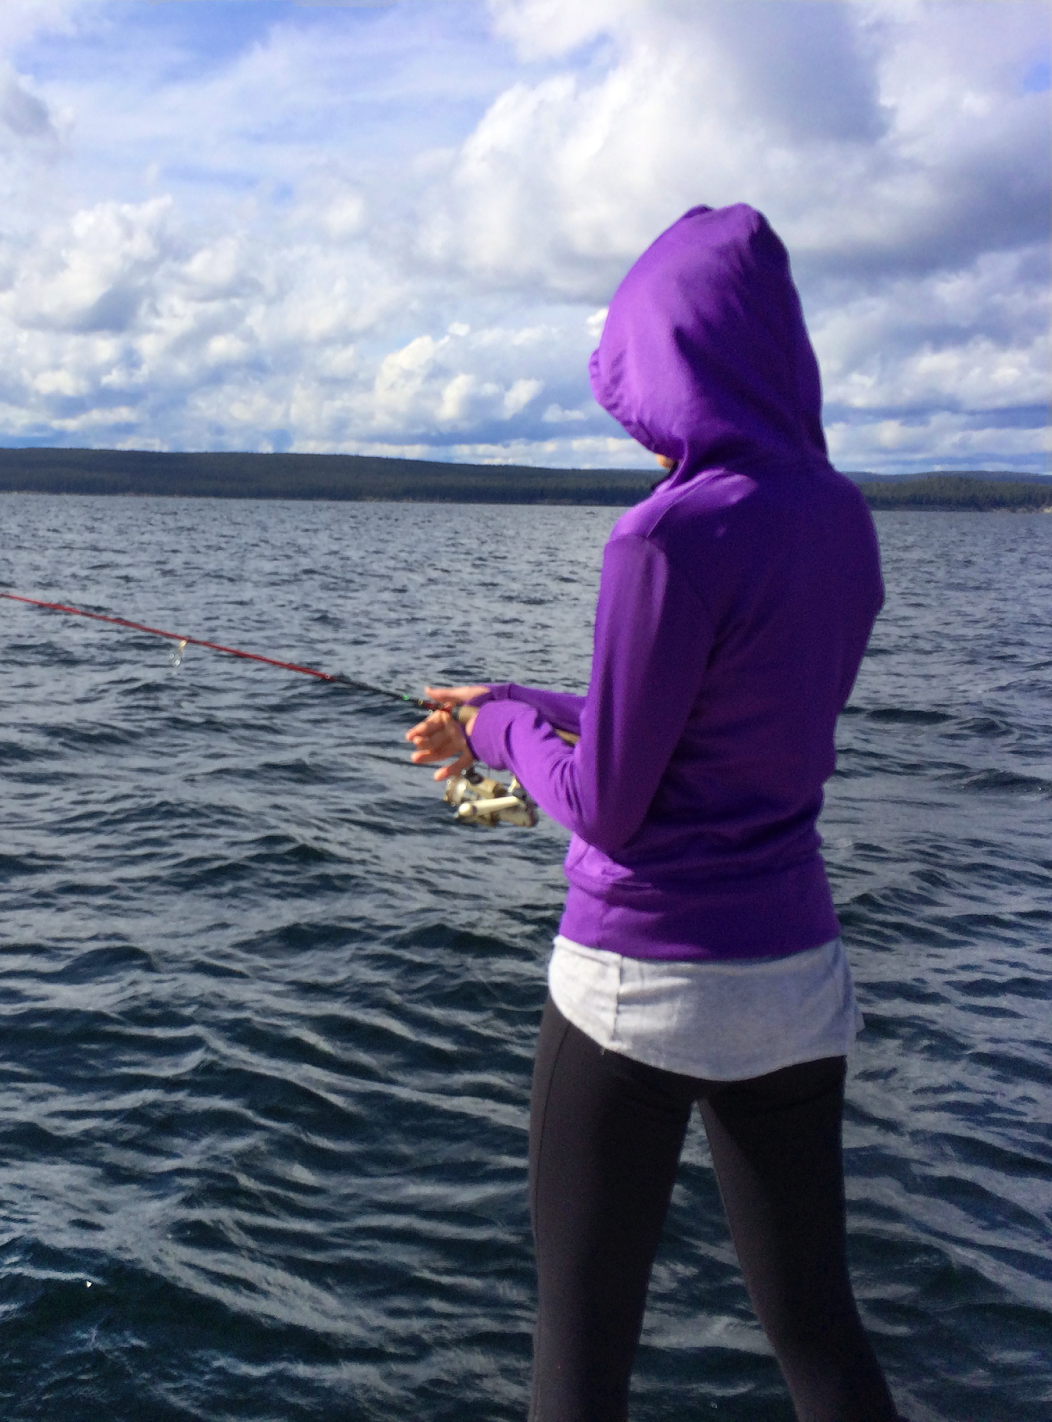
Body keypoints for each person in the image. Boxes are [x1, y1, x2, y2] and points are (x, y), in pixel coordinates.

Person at [406, 204, 904, 1422]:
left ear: (664, 354)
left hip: (637, 984)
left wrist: (497, 734)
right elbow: (711, 714)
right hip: (796, 979)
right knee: (818, 1336)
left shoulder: (663, 535)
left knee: (579, 1355)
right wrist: (514, 700)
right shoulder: (839, 517)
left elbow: (609, 809)